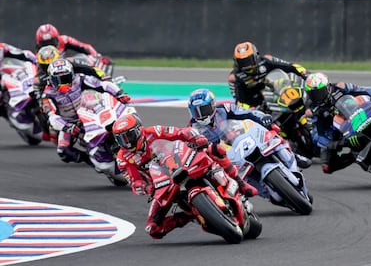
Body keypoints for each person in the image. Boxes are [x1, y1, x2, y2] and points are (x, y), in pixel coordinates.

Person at [112, 113, 258, 239]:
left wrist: (196, 138)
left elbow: (180, 132)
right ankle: (190, 216)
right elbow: (134, 181)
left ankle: (240, 182)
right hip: (161, 185)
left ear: (138, 130)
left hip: (179, 163)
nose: (127, 142)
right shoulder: (123, 158)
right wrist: (145, 187)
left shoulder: (153, 131)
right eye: (121, 139)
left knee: (215, 149)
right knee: (153, 229)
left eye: (129, 136)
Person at [304, 72, 371, 174]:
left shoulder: (340, 87)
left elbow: (363, 90)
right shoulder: (313, 109)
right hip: (339, 132)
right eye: (313, 94)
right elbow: (315, 134)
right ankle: (367, 163)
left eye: (319, 92)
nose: (317, 96)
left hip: (358, 113)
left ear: (327, 87)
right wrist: (330, 143)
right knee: (327, 167)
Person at [188, 88, 312, 169]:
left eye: (203, 110)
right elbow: (189, 149)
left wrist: (263, 117)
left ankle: (292, 155)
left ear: (212, 105)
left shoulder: (223, 109)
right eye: (196, 111)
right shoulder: (192, 128)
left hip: (238, 136)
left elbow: (247, 113)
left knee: (269, 129)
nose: (201, 115)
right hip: (224, 156)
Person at [42, 58, 130, 163]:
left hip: (89, 113)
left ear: (72, 74)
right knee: (63, 151)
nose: (63, 83)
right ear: (51, 79)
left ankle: (127, 141)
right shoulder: (47, 95)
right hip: (70, 123)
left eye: (66, 78)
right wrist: (67, 127)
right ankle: (90, 161)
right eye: (58, 80)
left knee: (111, 124)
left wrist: (119, 93)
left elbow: (102, 85)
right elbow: (52, 117)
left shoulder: (80, 79)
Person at [33, 46, 108, 141]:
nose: (51, 66)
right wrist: (44, 104)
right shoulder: (38, 80)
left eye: (53, 62)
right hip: (57, 104)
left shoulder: (67, 66)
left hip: (76, 94)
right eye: (45, 65)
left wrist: (104, 77)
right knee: (44, 119)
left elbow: (90, 69)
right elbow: (39, 98)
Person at [228, 41, 308, 109]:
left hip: (275, 92)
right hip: (256, 103)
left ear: (256, 56)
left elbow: (288, 66)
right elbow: (240, 101)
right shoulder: (235, 77)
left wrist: (304, 74)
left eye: (248, 60)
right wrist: (253, 108)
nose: (246, 65)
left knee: (291, 78)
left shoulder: (266, 61)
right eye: (242, 62)